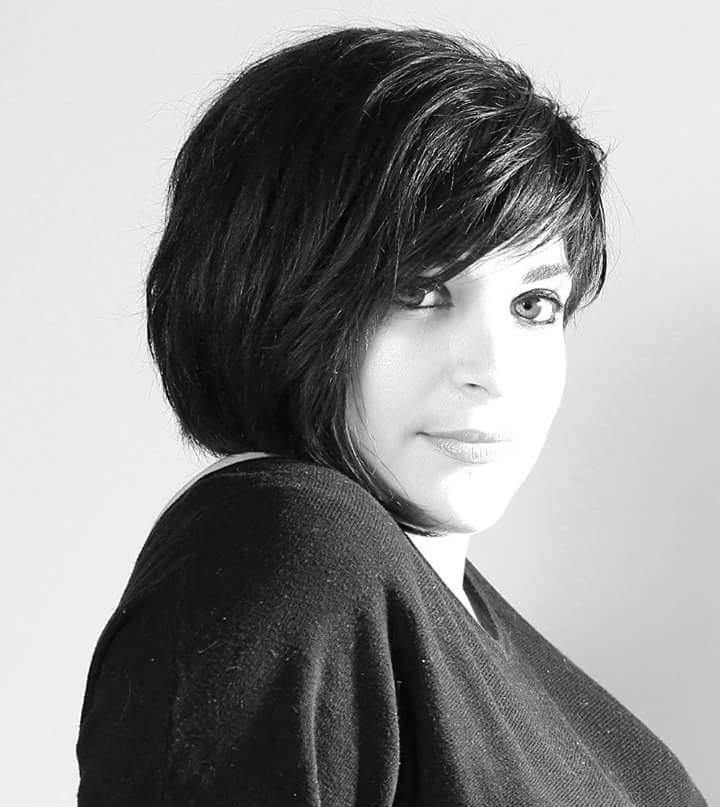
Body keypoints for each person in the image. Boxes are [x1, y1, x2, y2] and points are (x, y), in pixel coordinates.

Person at [75, 26, 708, 806]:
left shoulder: (526, 682)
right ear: (270, 292)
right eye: (419, 291)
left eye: (534, 304)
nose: (492, 370)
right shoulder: (291, 550)